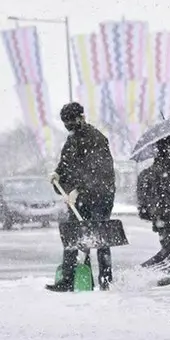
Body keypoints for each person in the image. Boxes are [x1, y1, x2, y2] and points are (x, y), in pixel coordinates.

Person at [47, 102, 116, 292]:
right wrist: (58, 175)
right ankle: (68, 279)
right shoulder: (71, 141)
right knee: (73, 234)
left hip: (100, 196)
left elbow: (100, 172)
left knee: (100, 237)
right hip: (80, 198)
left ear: (82, 117)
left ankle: (105, 281)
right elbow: (66, 165)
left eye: (72, 120)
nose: (69, 125)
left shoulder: (96, 138)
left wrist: (80, 190)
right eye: (65, 122)